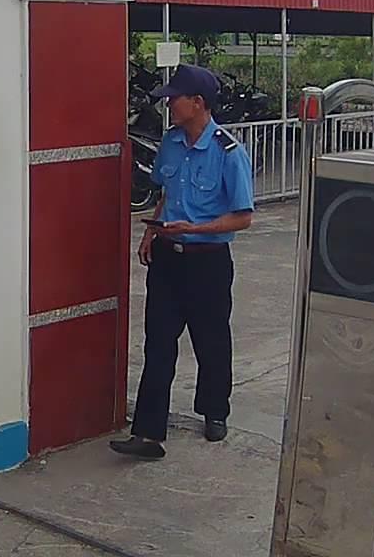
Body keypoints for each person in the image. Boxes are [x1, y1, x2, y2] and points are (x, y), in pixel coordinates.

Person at [110, 63, 255, 461]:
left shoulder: (228, 152)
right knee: (158, 342)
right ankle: (148, 433)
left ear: (198, 102)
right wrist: (151, 233)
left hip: (208, 262)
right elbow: (166, 194)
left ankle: (214, 410)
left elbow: (243, 217)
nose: (169, 104)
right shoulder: (171, 143)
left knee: (211, 341)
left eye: (175, 99)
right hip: (167, 260)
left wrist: (196, 228)